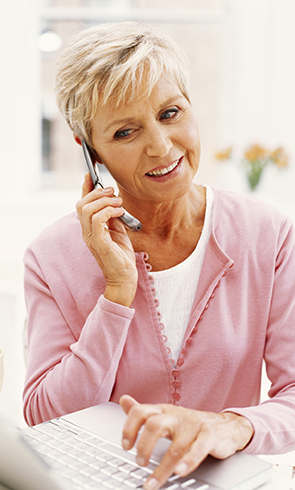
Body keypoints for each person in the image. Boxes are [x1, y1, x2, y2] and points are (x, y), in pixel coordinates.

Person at [23, 21, 295, 490]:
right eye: (126, 132)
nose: (161, 147)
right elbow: (45, 417)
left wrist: (230, 426)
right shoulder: (50, 257)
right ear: (91, 153)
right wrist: (115, 293)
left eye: (170, 113)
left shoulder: (266, 233)